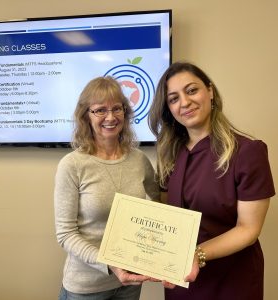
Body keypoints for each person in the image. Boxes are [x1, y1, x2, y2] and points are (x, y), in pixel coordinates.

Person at [148, 61, 275, 300]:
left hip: (231, 282)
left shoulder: (248, 152)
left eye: (192, 90)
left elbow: (248, 229)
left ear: (211, 91)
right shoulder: (169, 155)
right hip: (181, 282)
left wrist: (196, 255)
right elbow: (169, 217)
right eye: (173, 98)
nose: (184, 102)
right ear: (168, 109)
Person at [54, 76, 160, 300]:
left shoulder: (140, 160)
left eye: (117, 108)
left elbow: (157, 211)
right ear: (86, 116)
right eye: (100, 110)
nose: (110, 117)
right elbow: (66, 234)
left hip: (130, 281)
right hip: (87, 287)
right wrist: (110, 263)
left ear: (126, 113)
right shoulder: (72, 165)